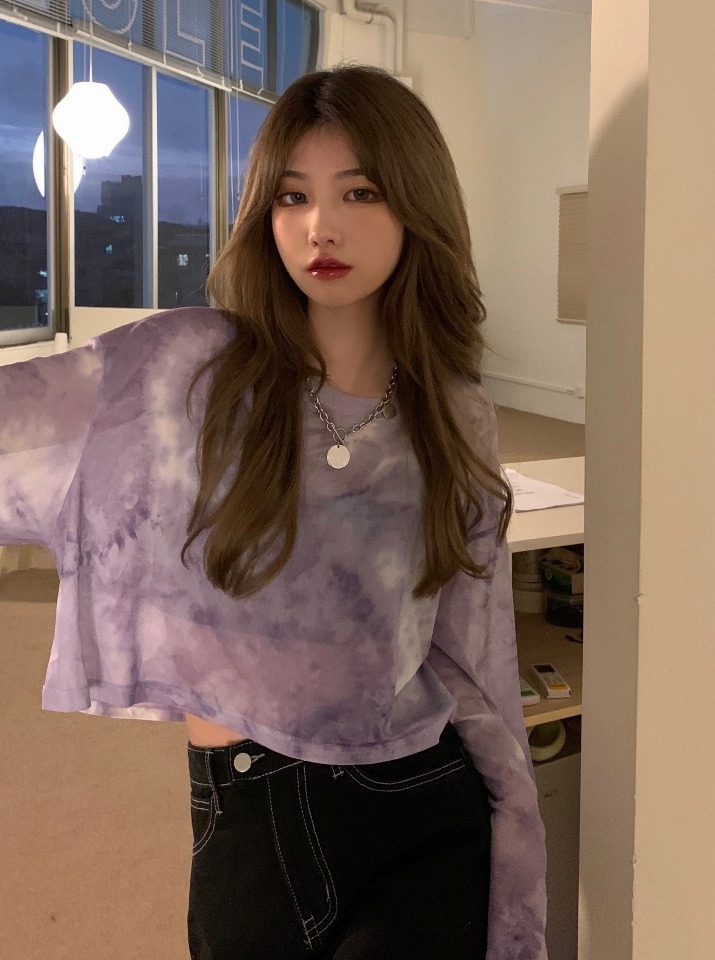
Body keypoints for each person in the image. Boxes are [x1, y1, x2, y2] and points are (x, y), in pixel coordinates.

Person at [0, 65, 546, 959]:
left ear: (417, 205)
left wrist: (518, 850)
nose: (320, 226)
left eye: (359, 192)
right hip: (250, 808)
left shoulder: (456, 414)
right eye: (293, 197)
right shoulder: (188, 367)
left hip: (419, 801)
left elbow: (474, 652)